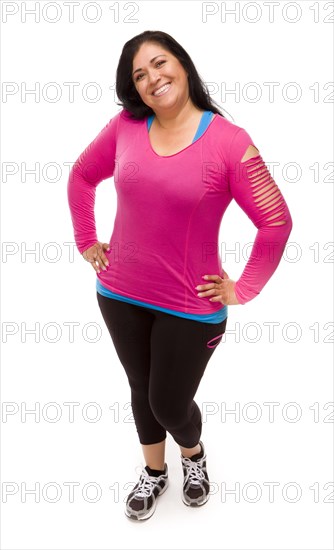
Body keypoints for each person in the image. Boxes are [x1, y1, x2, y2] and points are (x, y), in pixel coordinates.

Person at [67, 30, 293, 521]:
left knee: (169, 402)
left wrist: (245, 287)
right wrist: (87, 238)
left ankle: (192, 454)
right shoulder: (125, 126)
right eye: (139, 75)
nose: (152, 78)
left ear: (183, 65)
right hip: (119, 292)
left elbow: (276, 221)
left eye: (159, 63)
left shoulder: (231, 143)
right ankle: (154, 472)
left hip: (191, 305)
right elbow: (82, 175)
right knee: (139, 387)